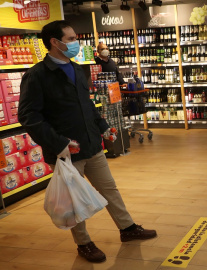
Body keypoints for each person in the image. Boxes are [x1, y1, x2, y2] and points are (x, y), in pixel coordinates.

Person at [18, 20, 157, 263]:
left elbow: (87, 104)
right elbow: (29, 117)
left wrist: (103, 126)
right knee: (74, 200)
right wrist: (59, 143)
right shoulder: (37, 75)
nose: (76, 43)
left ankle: (127, 228)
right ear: (55, 42)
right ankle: (83, 243)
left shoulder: (78, 69)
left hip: (91, 144)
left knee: (109, 188)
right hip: (66, 151)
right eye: (71, 39)